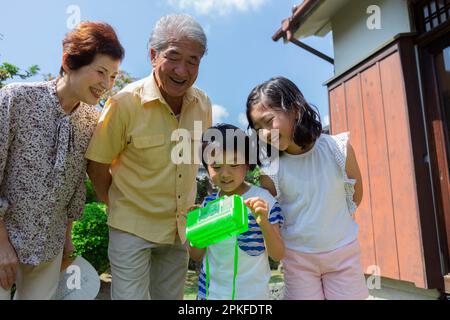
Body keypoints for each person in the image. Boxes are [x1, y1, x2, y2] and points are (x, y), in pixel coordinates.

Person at [86, 14, 212, 300]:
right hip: (131, 229)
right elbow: (97, 166)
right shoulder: (124, 103)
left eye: (193, 60)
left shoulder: (203, 104)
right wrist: (119, 205)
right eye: (174, 57)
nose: (182, 69)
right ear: (153, 55)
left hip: (178, 231)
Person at [0, 21, 124, 300]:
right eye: (101, 72)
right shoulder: (15, 99)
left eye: (114, 76)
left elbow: (75, 183)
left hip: (49, 245)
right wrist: (1, 244)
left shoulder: (92, 120)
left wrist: (67, 237)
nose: (106, 84)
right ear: (69, 62)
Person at [246, 76, 369, 300]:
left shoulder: (337, 148)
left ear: (295, 109)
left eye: (268, 120)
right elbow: (272, 215)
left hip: (343, 254)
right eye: (257, 127)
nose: (264, 133)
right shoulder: (270, 168)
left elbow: (356, 195)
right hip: (297, 259)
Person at [188, 124, 284, 300]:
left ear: (247, 164)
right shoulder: (209, 203)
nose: (225, 173)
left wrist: (264, 223)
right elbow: (196, 255)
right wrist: (196, 230)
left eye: (234, 163)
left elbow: (277, 254)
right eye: (216, 166)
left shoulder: (265, 200)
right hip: (210, 295)